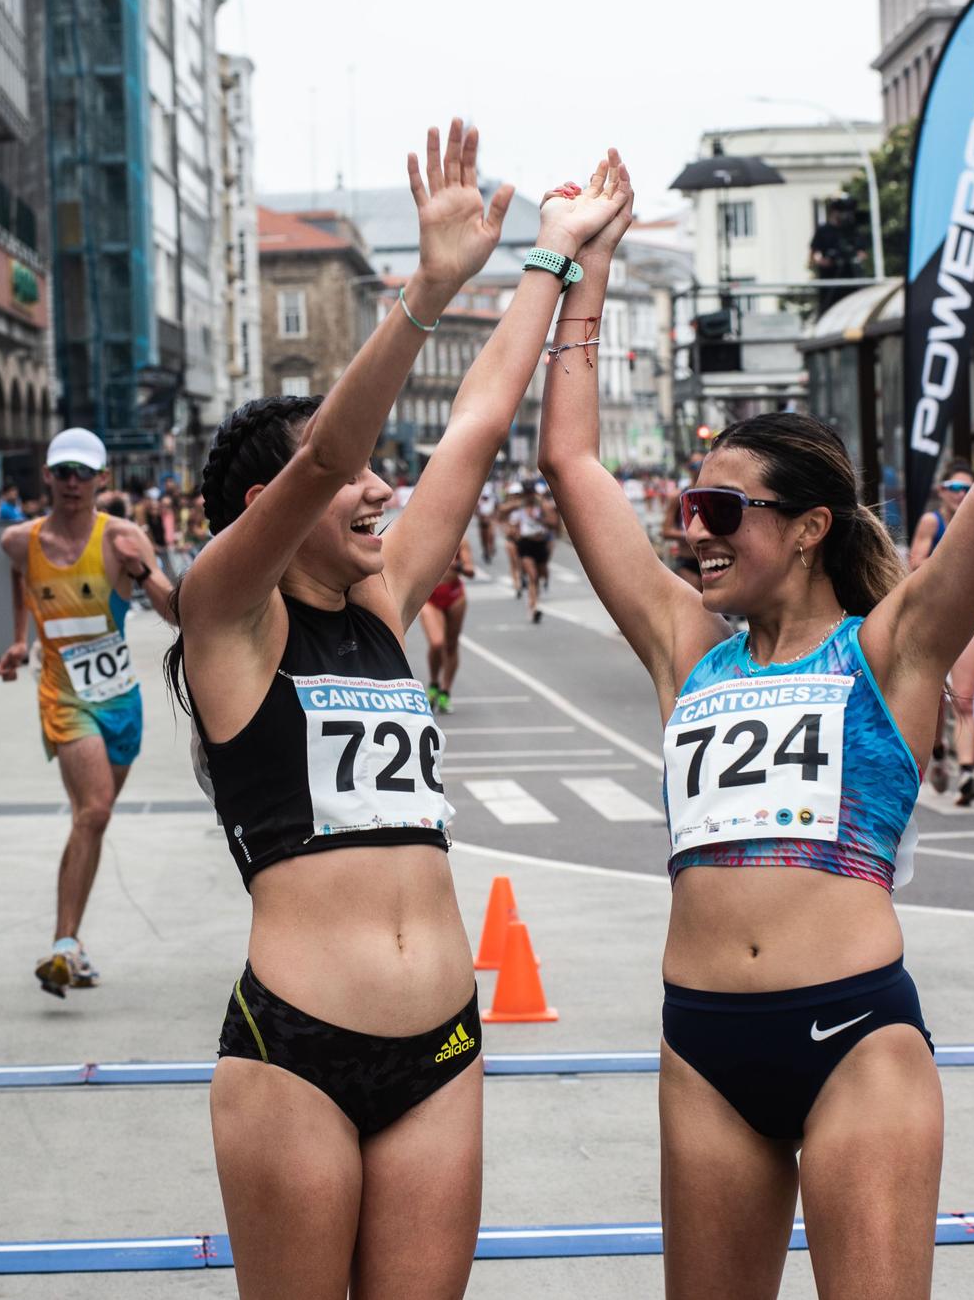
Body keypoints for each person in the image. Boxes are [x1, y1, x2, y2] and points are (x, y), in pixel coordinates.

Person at [540, 132, 974, 1299]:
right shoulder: (687, 651)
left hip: (853, 1036)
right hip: (701, 1042)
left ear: (803, 529)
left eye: (718, 511)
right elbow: (570, 461)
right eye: (686, 507)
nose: (690, 530)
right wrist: (583, 269)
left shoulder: (891, 648)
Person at [166, 121, 625, 1297]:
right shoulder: (224, 616)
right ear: (266, 506)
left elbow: (475, 423)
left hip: (443, 1041)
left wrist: (550, 255)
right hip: (294, 1047)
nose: (382, 489)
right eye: (359, 474)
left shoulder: (381, 602)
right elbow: (327, 458)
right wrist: (425, 290)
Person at [0, 429, 176, 998]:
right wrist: (20, 639)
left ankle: (72, 946)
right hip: (63, 695)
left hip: (120, 699)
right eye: (62, 471)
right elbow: (20, 580)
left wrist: (141, 573)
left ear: (102, 479)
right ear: (47, 476)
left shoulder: (123, 538)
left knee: (91, 819)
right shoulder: (18, 541)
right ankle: (64, 944)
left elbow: (177, 613)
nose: (72, 482)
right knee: (94, 811)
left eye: (83, 472)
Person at [909, 462, 974, 805]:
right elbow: (915, 563)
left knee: (965, 699)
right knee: (936, 697)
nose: (961, 495)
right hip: (934, 619)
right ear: (942, 491)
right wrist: (955, 562)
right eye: (955, 488)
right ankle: (938, 752)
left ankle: (968, 773)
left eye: (968, 489)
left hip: (968, 617)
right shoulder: (932, 521)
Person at [420, 537, 475, 713]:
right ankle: (433, 683)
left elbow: (470, 571)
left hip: (454, 595)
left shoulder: (460, 539)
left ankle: (445, 691)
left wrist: (456, 566)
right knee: (437, 643)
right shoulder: (422, 536)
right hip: (430, 596)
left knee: (451, 645)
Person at [507, 482, 558, 622]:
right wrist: (513, 530)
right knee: (533, 576)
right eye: (527, 493)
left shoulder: (542, 506)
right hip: (526, 544)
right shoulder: (519, 506)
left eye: (531, 493)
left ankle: (534, 602)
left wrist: (540, 519)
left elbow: (554, 523)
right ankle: (533, 607)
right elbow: (506, 516)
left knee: (539, 577)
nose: (529, 496)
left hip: (540, 543)